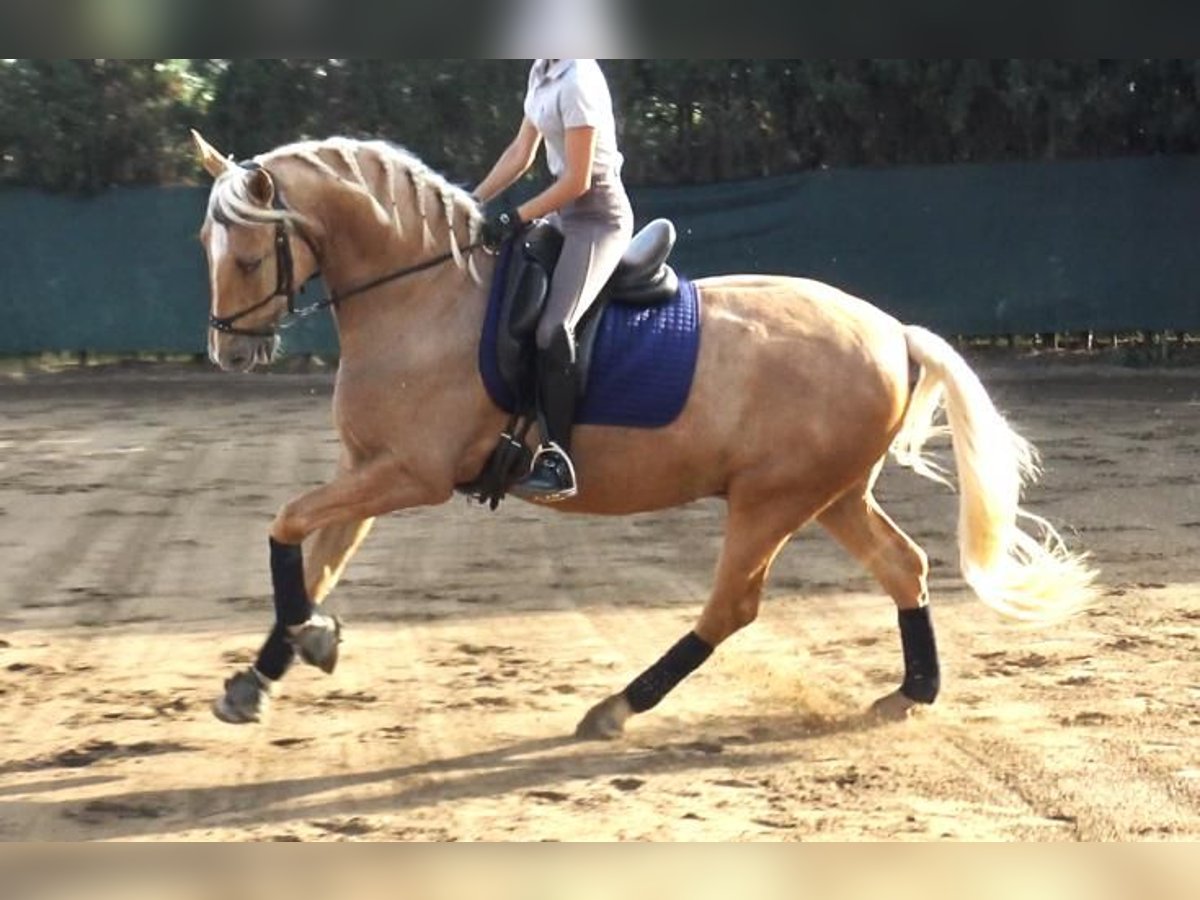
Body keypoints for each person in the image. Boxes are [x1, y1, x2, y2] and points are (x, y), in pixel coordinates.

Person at [475, 59, 634, 502]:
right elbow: (520, 152)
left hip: (598, 219)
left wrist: (517, 215)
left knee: (551, 329)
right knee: (505, 287)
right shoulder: (542, 72)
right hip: (563, 217)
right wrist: (471, 201)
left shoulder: (578, 78)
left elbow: (579, 180)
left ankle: (558, 458)